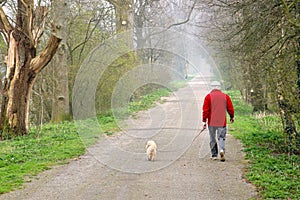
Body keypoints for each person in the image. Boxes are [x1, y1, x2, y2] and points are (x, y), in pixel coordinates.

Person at [202, 81, 234, 162]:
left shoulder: (208, 97)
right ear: (219, 87)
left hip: (211, 122)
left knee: (212, 138)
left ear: (211, 87)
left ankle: (214, 155)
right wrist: (231, 117)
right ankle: (221, 150)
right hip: (221, 121)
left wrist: (204, 121)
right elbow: (230, 108)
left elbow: (205, 110)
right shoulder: (225, 96)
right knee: (221, 137)